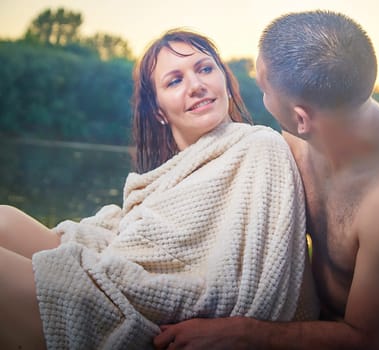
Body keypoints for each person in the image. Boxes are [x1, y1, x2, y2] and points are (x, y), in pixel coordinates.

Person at [154, 10, 379, 350]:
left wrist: (239, 332)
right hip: (316, 323)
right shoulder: (296, 144)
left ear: (301, 118)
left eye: (264, 90)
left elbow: (365, 339)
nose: (263, 101)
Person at [0, 29, 318, 349]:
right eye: (175, 81)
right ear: (158, 112)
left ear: (225, 81)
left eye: (205, 69)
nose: (196, 86)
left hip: (148, 312)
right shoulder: (178, 169)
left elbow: (244, 276)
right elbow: (143, 240)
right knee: (4, 219)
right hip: (120, 268)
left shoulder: (258, 146)